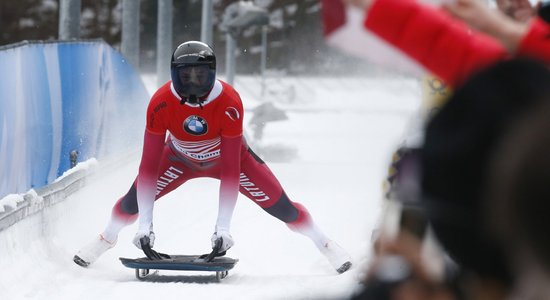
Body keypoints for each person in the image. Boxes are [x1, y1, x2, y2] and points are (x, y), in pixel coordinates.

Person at [73, 41, 352, 274]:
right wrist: (145, 226)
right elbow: (148, 167)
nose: (193, 84)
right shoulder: (160, 103)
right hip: (179, 159)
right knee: (129, 204)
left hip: (230, 161)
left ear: (213, 75)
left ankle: (325, 243)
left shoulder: (229, 101)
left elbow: (231, 170)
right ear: (174, 75)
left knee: (286, 210)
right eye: (186, 77)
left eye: (201, 76)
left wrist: (223, 229)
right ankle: (106, 237)